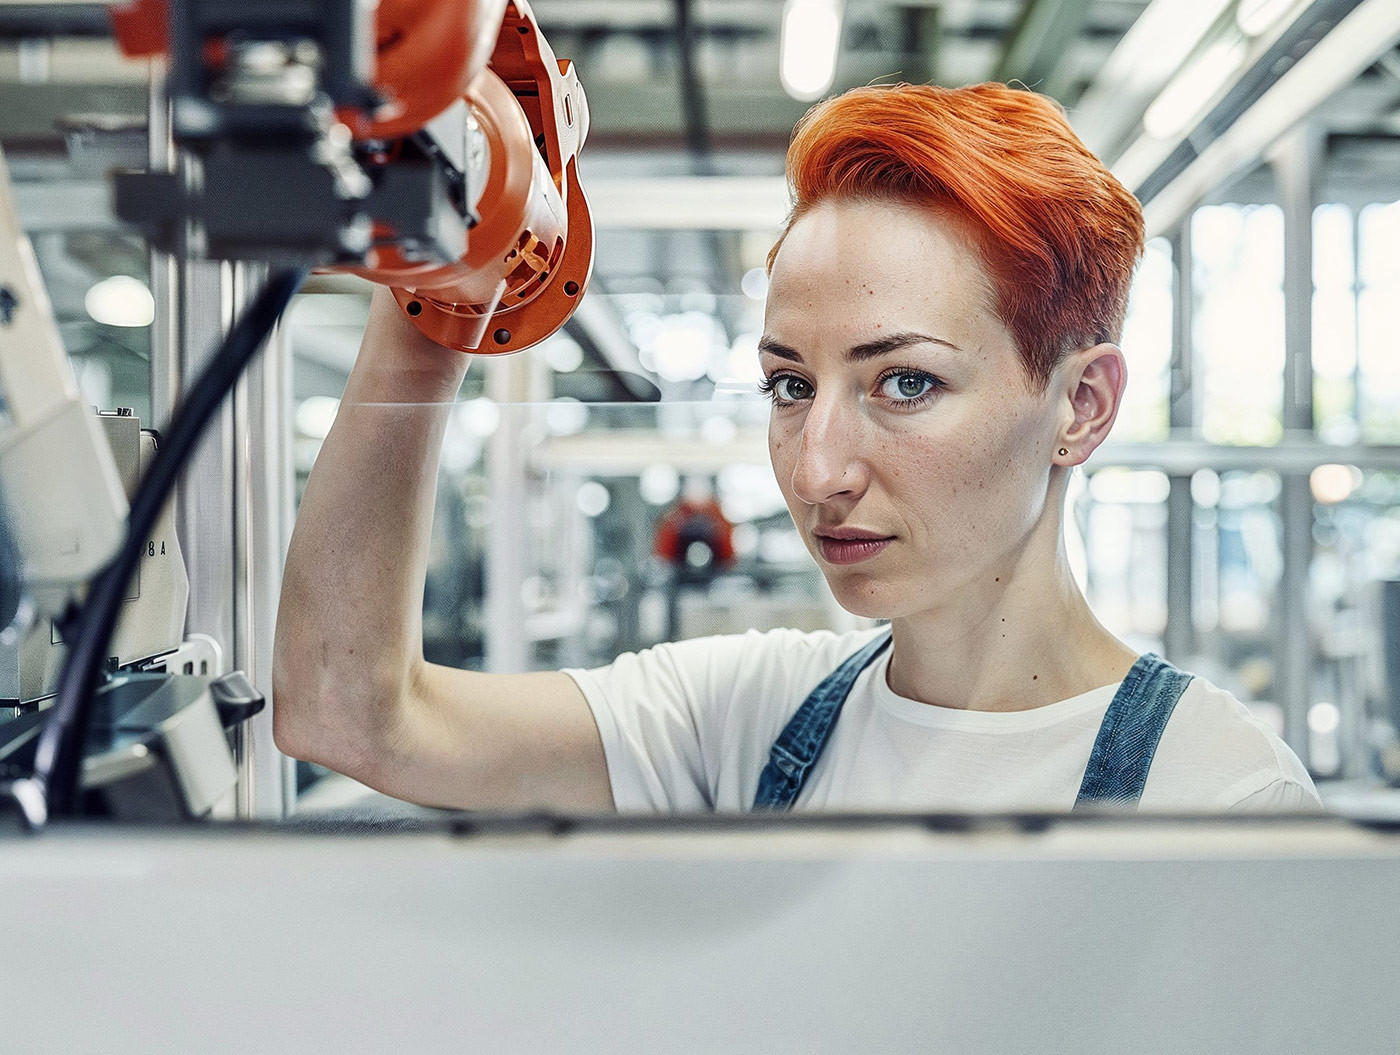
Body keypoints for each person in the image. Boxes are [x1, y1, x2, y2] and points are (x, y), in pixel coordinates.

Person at [272, 82, 1319, 813]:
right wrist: (438, 293)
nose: (817, 471)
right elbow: (345, 709)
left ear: (1080, 405)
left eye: (904, 382)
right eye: (790, 385)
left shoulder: (1223, 796)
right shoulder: (748, 720)